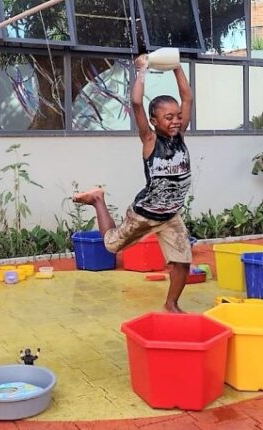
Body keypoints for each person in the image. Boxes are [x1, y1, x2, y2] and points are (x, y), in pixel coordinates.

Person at [72, 53, 193, 313]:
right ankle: (98, 200)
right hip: (145, 214)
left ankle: (171, 304)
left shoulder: (180, 136)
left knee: (183, 262)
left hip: (170, 215)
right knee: (111, 245)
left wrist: (176, 66)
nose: (175, 121)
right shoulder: (150, 140)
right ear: (154, 121)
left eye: (177, 116)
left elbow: (187, 97)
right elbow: (137, 103)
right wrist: (142, 70)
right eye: (168, 117)